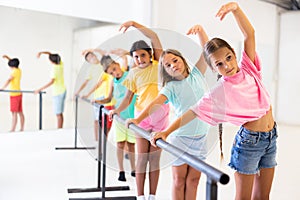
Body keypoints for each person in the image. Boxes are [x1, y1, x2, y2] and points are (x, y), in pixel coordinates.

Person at [151, 2, 277, 200]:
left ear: (235, 56)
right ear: (214, 69)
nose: (227, 65)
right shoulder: (220, 90)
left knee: (263, 196)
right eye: (219, 64)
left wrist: (236, 9)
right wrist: (166, 132)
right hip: (250, 143)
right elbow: (192, 111)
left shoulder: (249, 68)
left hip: (271, 138)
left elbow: (249, 34)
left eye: (228, 58)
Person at [126, 24, 210, 200]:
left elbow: (206, 51)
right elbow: (155, 104)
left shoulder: (197, 74)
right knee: (179, 180)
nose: (172, 66)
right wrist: (138, 119)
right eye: (167, 65)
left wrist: (201, 32)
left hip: (201, 137)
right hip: (180, 137)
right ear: (164, 70)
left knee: (193, 181)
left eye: (175, 61)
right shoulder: (170, 87)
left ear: (182, 60)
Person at [109, 20, 170, 200]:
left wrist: (135, 24)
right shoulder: (134, 73)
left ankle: (152, 195)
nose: (139, 59)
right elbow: (128, 98)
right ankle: (140, 196)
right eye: (135, 57)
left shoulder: (159, 65)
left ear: (150, 54)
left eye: (142, 55)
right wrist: (116, 111)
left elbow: (154, 37)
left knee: (154, 160)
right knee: (142, 159)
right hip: (141, 119)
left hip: (161, 119)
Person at [92, 54, 136, 182]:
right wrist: (99, 101)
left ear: (117, 65)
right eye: (111, 73)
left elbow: (129, 97)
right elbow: (109, 98)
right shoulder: (113, 81)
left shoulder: (129, 75)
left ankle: (133, 169)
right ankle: (121, 171)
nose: (115, 73)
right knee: (120, 144)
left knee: (132, 145)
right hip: (119, 117)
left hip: (131, 116)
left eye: (115, 69)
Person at [81, 49, 116, 141]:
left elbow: (104, 53)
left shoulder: (103, 65)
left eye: (92, 55)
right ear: (88, 61)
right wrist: (87, 94)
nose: (92, 58)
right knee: (97, 119)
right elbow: (96, 84)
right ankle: (97, 140)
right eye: (89, 58)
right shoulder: (91, 69)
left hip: (107, 96)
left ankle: (103, 141)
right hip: (97, 96)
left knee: (106, 120)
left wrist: (91, 50)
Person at [35, 51, 66, 129]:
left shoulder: (55, 69)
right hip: (63, 90)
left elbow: (51, 82)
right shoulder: (60, 64)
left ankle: (59, 130)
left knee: (58, 114)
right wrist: (41, 53)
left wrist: (39, 89)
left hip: (58, 93)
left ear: (51, 61)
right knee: (60, 113)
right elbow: (50, 54)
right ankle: (60, 129)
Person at [0, 55, 25, 132]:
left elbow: (9, 80)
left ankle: (13, 129)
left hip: (14, 94)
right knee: (20, 112)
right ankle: (22, 128)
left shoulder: (14, 72)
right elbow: (14, 62)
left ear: (11, 66)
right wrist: (7, 58)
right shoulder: (19, 70)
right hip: (19, 93)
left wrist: (2, 88)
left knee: (14, 112)